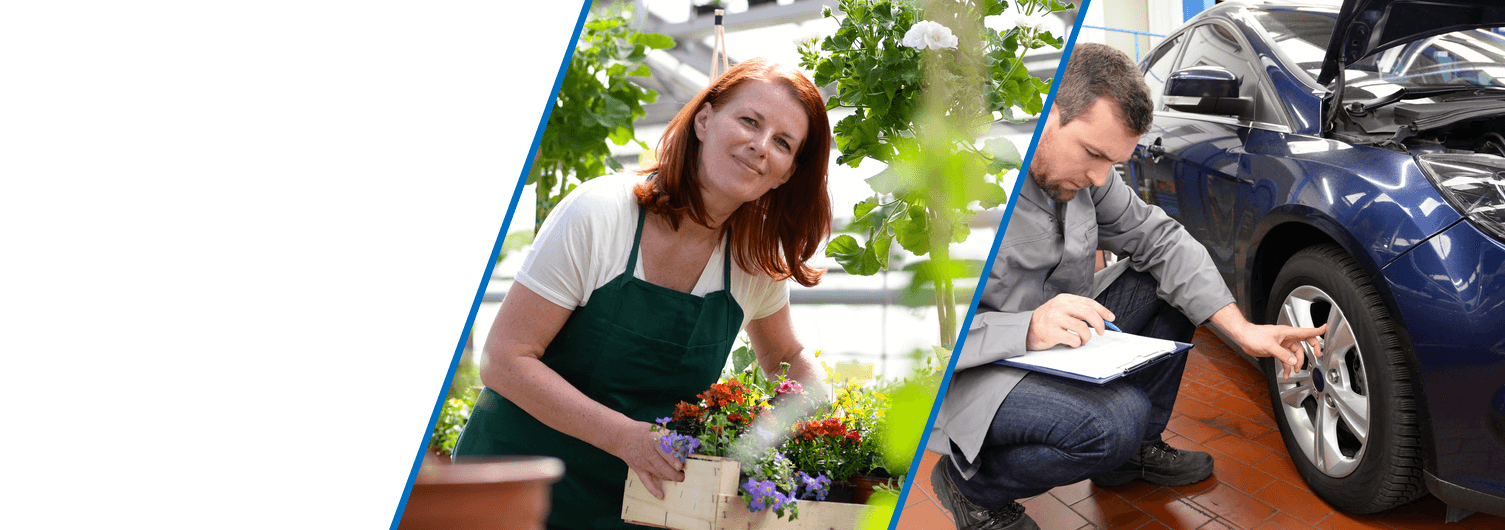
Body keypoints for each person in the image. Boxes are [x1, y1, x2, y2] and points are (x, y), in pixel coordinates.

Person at [926, 43, 1329, 530]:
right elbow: (931, 336)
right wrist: (1025, 327)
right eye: (1093, 154)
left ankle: (1129, 459)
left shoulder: (1091, 179)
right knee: (1114, 420)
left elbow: (1163, 239)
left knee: (1171, 283)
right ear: (1047, 113)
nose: (1100, 177)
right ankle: (972, 489)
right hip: (982, 365)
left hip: (1058, 339)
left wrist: (1242, 330)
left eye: (1112, 163)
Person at [453, 58, 836, 530]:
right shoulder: (601, 213)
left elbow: (791, 358)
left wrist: (774, 429)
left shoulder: (754, 260)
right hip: (514, 489)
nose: (760, 146)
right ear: (704, 120)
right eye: (749, 121)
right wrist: (626, 437)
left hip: (640, 505)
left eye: (783, 143)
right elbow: (504, 359)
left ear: (785, 174)